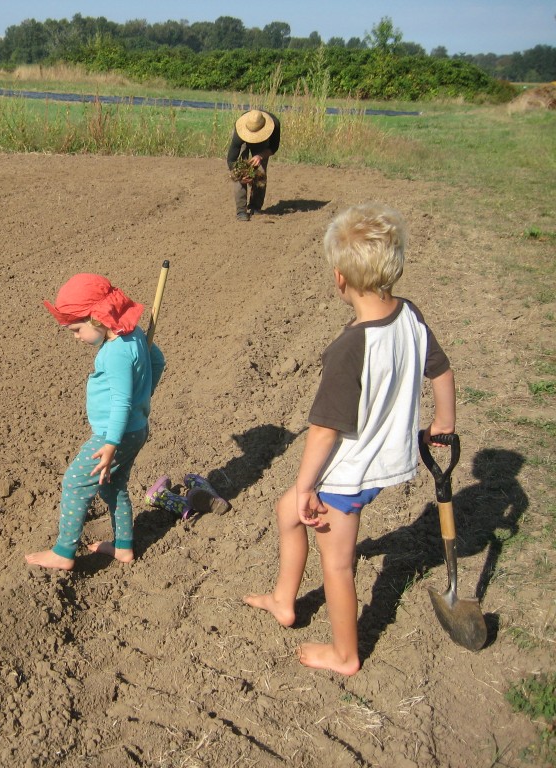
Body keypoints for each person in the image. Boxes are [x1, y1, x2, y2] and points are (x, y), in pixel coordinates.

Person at [243, 203, 456, 675]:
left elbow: (325, 429)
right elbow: (440, 369)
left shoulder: (350, 347)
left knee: (337, 564)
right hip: (387, 457)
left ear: (339, 278)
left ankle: (345, 654)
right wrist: (444, 422)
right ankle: (284, 598)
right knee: (285, 514)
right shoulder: (409, 315)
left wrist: (306, 485)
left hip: (349, 471)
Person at [25, 273, 166, 571]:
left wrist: (111, 443)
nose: (75, 337)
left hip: (113, 435)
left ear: (97, 318)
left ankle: (64, 552)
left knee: (75, 483)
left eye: (76, 329)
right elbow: (157, 361)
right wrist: (146, 393)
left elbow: (120, 403)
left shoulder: (113, 354)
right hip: (136, 429)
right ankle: (123, 547)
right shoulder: (135, 333)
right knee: (113, 487)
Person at [227, 109, 280, 221]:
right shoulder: (239, 132)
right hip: (242, 140)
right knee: (240, 172)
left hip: (264, 143)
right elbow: (231, 159)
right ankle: (241, 211)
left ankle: (255, 207)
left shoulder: (274, 124)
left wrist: (260, 156)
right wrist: (240, 175)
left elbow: (273, 148)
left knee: (261, 171)